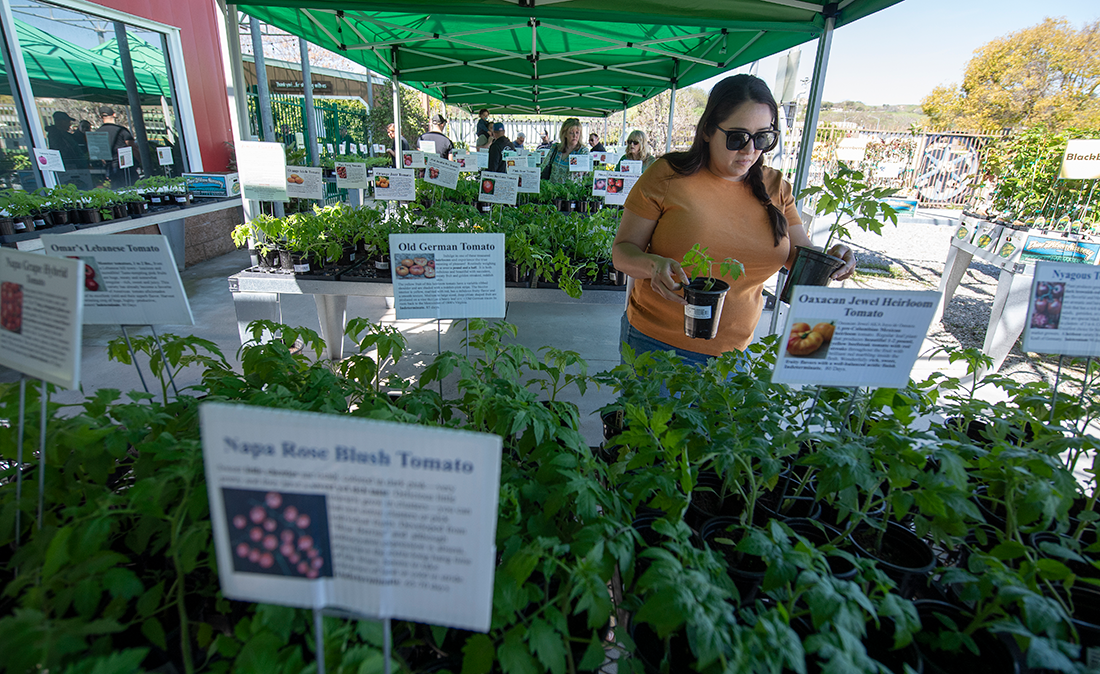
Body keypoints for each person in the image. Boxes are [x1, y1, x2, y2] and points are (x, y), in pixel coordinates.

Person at [611, 74, 855, 368]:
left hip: (735, 355)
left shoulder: (775, 187)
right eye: (737, 137)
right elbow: (622, 252)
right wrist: (652, 265)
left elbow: (799, 259)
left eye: (764, 137)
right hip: (657, 346)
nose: (750, 150)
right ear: (707, 132)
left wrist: (833, 258)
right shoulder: (668, 175)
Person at [540, 118, 589, 184]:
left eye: (577, 133)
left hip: (572, 193)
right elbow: (543, 167)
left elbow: (585, 173)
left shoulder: (583, 151)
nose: (575, 136)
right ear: (565, 134)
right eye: (571, 133)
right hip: (552, 192)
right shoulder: (555, 148)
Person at [97, 106, 137, 187]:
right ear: (114, 114)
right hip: (126, 167)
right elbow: (133, 147)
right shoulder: (121, 130)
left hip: (110, 168)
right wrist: (142, 162)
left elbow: (98, 154)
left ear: (100, 117)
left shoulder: (97, 132)